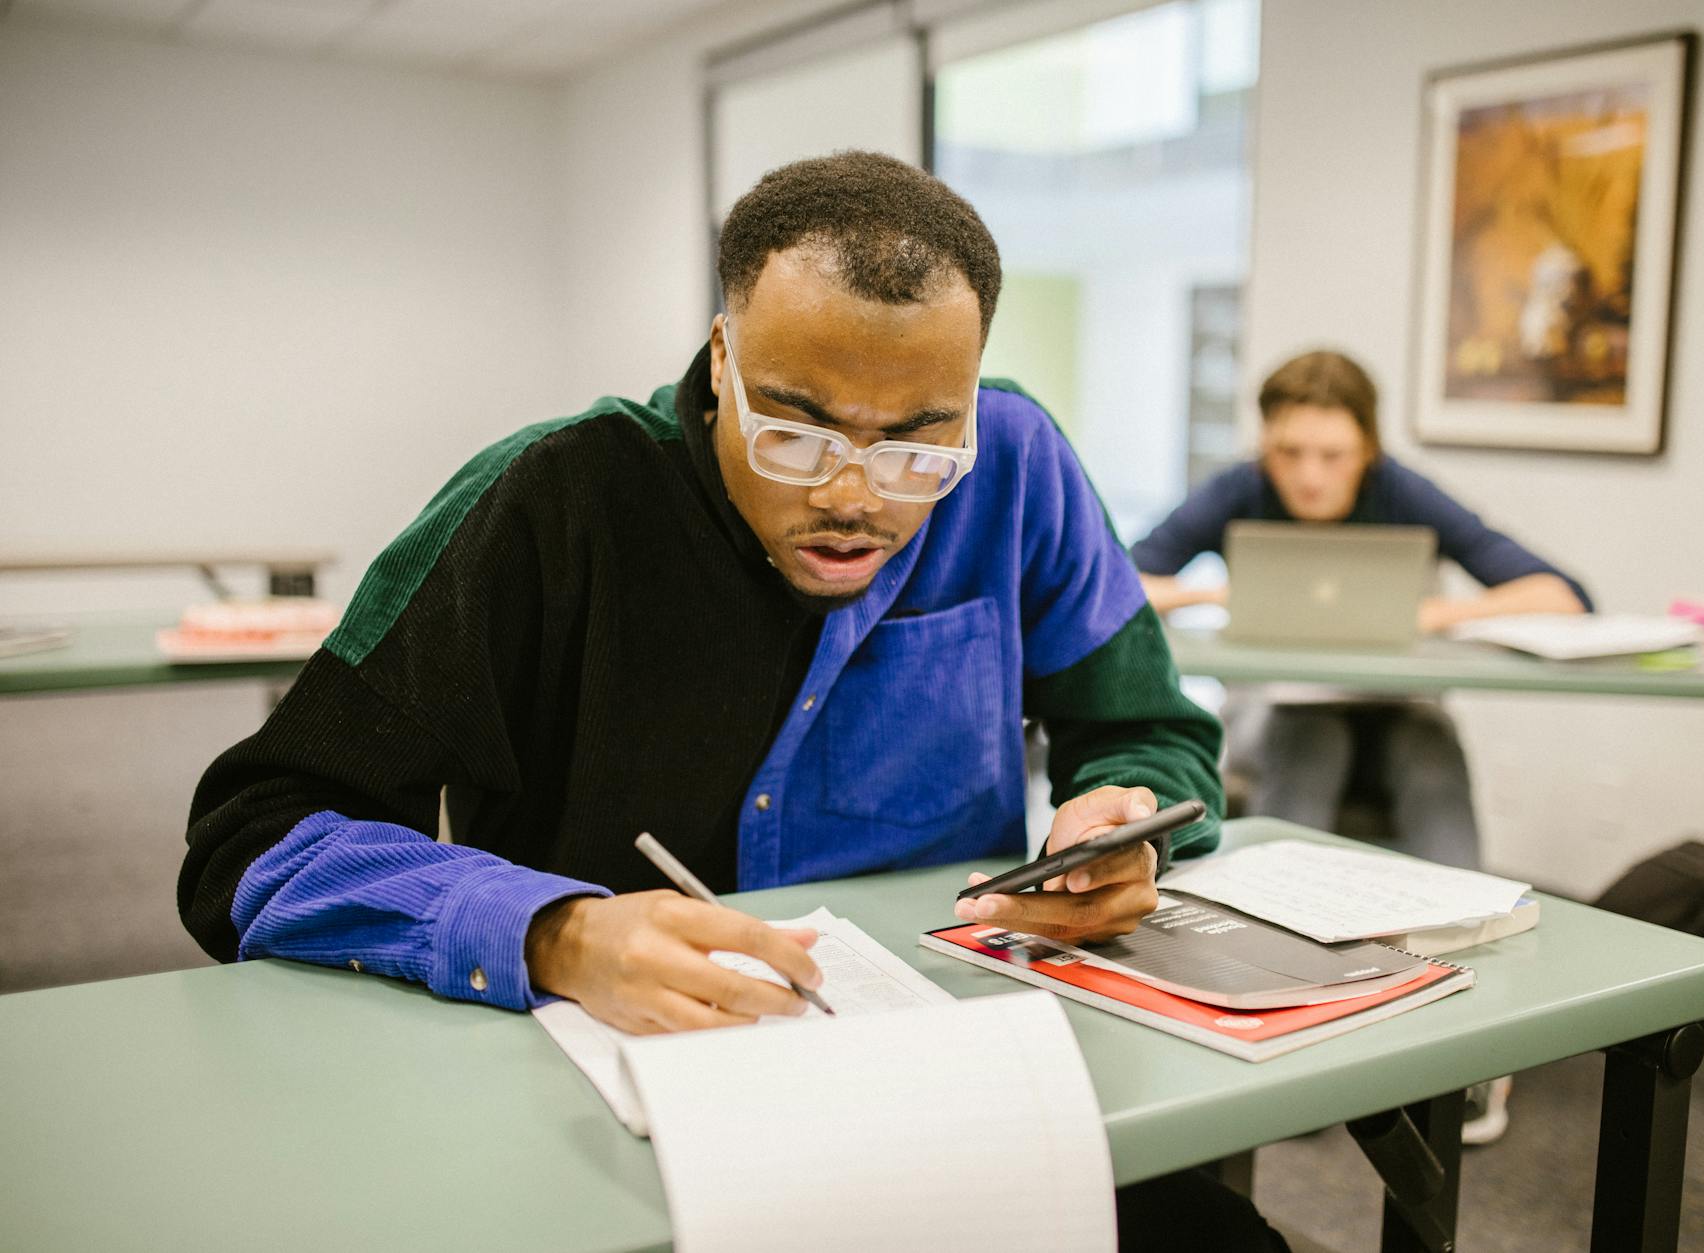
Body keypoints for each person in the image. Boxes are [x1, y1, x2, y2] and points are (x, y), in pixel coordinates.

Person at [178, 152, 1284, 1249]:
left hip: (949, 1085)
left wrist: (1121, 816)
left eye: (917, 445)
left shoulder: (1017, 462)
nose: (851, 496)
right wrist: (553, 932)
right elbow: (252, 839)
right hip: (623, 1121)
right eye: (795, 433)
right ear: (722, 358)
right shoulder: (550, 501)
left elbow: (1148, 729)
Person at [1132, 349, 1590, 1147]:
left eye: (1332, 455)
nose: (1308, 475)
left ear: (1368, 449)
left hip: (1398, 717)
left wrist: (1419, 615)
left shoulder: (1403, 491)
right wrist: (1218, 592)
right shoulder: (1240, 488)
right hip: (1287, 721)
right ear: (1266, 445)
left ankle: (1479, 1043)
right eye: (1289, 452)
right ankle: (1281, 1009)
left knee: (1431, 751)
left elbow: (1562, 595)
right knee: (1313, 739)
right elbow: (1114, 580)